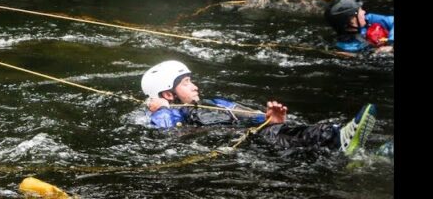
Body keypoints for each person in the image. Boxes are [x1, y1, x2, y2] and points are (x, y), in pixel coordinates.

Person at [141, 60, 377, 156]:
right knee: (288, 138)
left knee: (282, 131)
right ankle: (338, 139)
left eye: (191, 80)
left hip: (256, 134)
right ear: (168, 94)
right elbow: (166, 136)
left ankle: (346, 144)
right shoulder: (167, 114)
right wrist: (161, 109)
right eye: (186, 83)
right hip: (240, 145)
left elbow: (249, 115)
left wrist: (269, 118)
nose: (195, 86)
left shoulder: (215, 103)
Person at [325, 0, 394, 54]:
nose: (364, 12)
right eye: (360, 10)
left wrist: (391, 43)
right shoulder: (348, 48)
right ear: (352, 21)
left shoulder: (367, 20)